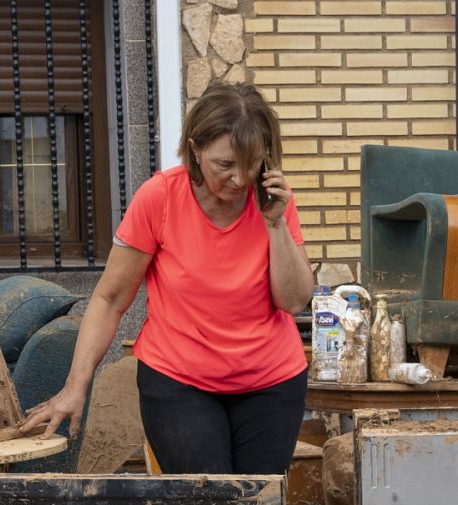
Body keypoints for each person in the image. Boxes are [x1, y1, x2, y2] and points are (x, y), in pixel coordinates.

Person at [19, 83, 314, 475]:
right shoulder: (160, 197)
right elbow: (109, 300)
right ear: (195, 149)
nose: (240, 179)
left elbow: (293, 301)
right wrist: (76, 387)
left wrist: (275, 224)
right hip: (179, 382)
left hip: (271, 381)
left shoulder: (272, 200)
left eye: (252, 163)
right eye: (224, 165)